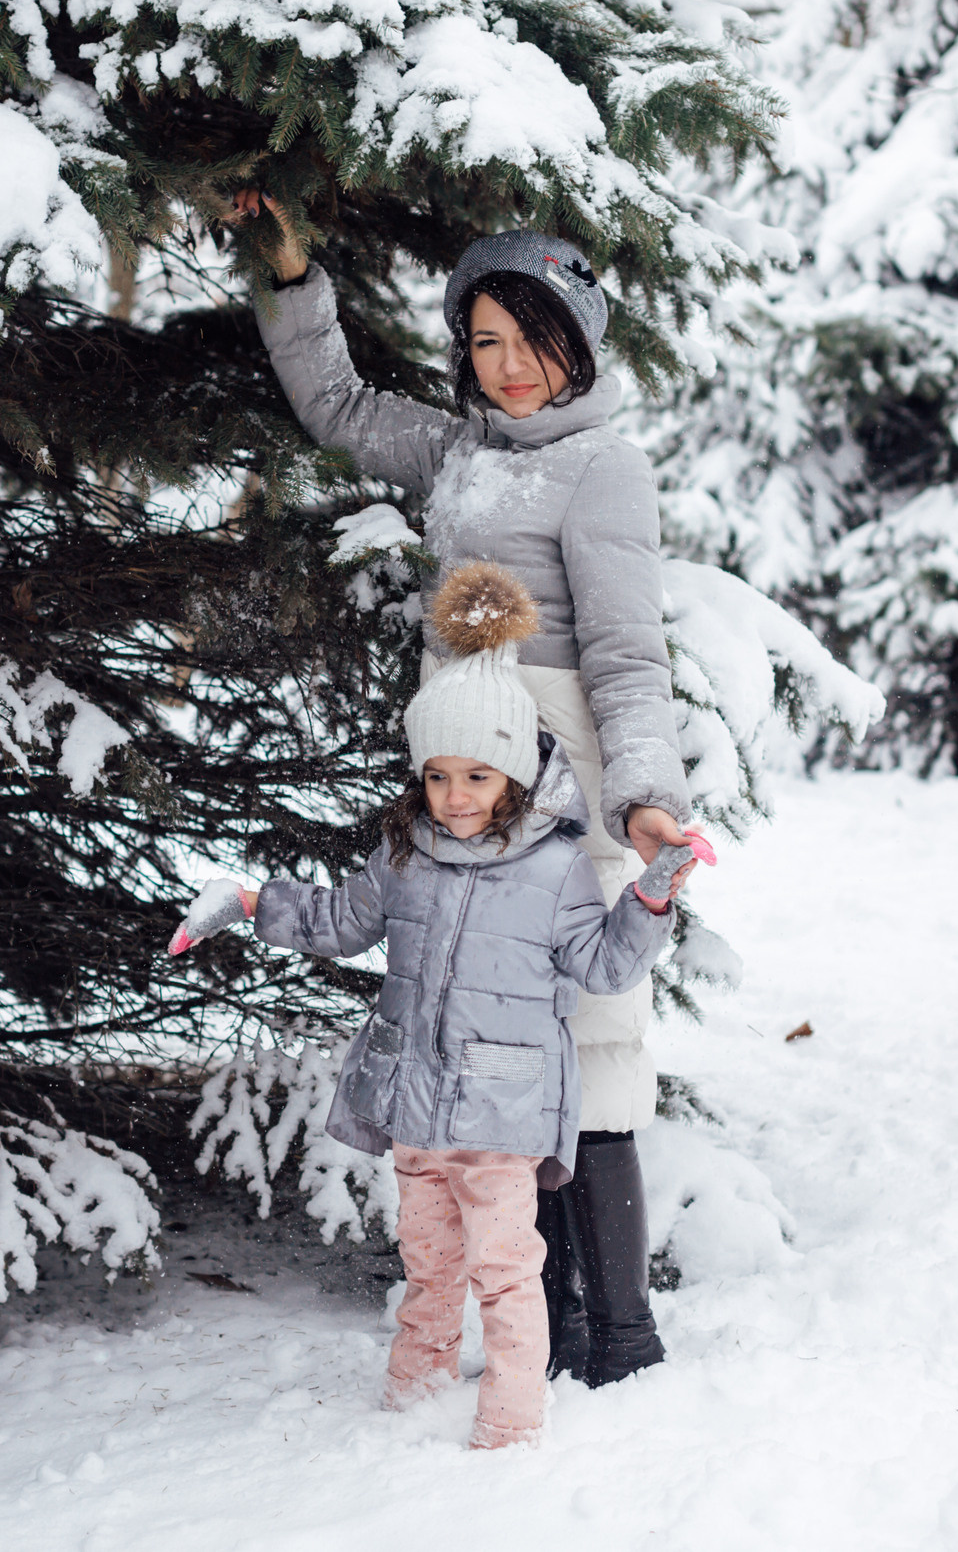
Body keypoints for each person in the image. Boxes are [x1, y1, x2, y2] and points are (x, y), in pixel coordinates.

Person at [232, 192, 689, 1387]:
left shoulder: (603, 469)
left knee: (592, 1044)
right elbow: (336, 407)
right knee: (491, 1049)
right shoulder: (458, 452)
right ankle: (552, 1328)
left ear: (579, 341)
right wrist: (292, 281)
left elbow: (628, 657)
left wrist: (643, 796)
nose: (510, 366)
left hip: (566, 785)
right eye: (485, 340)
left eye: (533, 339)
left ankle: (621, 1337)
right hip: (467, 788)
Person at [176, 563, 694, 1450]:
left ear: (515, 776)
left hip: (502, 1115)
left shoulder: (556, 868)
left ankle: (511, 1419)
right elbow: (341, 921)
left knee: (506, 1271)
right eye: (440, 775)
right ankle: (414, 1398)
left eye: (478, 776)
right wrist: (253, 901)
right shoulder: (403, 854)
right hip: (417, 1110)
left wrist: (648, 900)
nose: (456, 796)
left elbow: (604, 966)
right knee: (429, 1267)